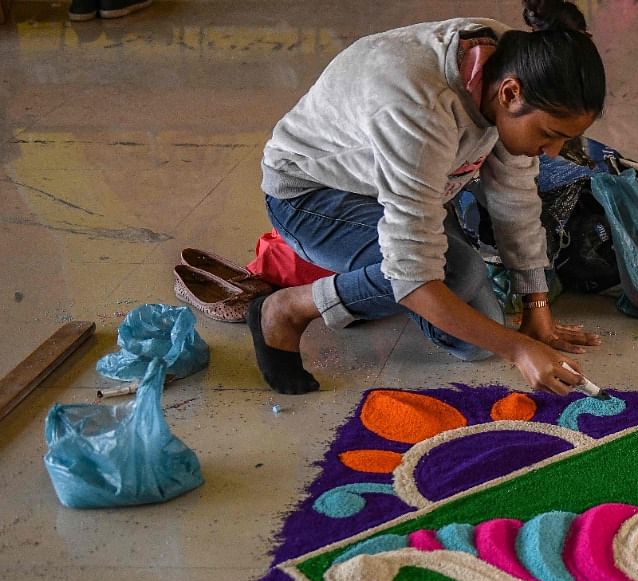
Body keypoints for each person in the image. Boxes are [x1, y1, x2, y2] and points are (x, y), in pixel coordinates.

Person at [252, 0, 605, 396]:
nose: (553, 152)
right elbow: (414, 275)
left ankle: (367, 288)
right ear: (509, 93)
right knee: (455, 273)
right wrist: (519, 350)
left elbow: (515, 194)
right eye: (549, 134)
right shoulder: (420, 108)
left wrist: (535, 303)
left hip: (402, 185)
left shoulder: (515, 61)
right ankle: (289, 307)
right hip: (312, 196)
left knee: (471, 341)